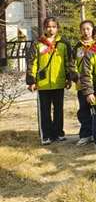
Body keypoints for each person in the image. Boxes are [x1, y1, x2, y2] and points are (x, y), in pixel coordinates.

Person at [26, 17, 77, 145]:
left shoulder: (63, 43)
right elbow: (32, 63)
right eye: (48, 26)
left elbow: (68, 62)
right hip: (42, 84)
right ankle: (46, 135)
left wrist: (69, 78)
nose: (51, 29)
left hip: (58, 82)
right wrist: (31, 81)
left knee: (59, 110)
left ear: (57, 28)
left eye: (54, 26)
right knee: (45, 111)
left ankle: (58, 133)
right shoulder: (37, 43)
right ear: (44, 28)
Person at [74, 20, 95, 146]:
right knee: (84, 110)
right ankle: (85, 134)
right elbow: (72, 64)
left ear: (92, 30)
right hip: (82, 84)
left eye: (88, 29)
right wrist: (75, 76)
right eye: (83, 29)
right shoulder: (77, 46)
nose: (86, 31)